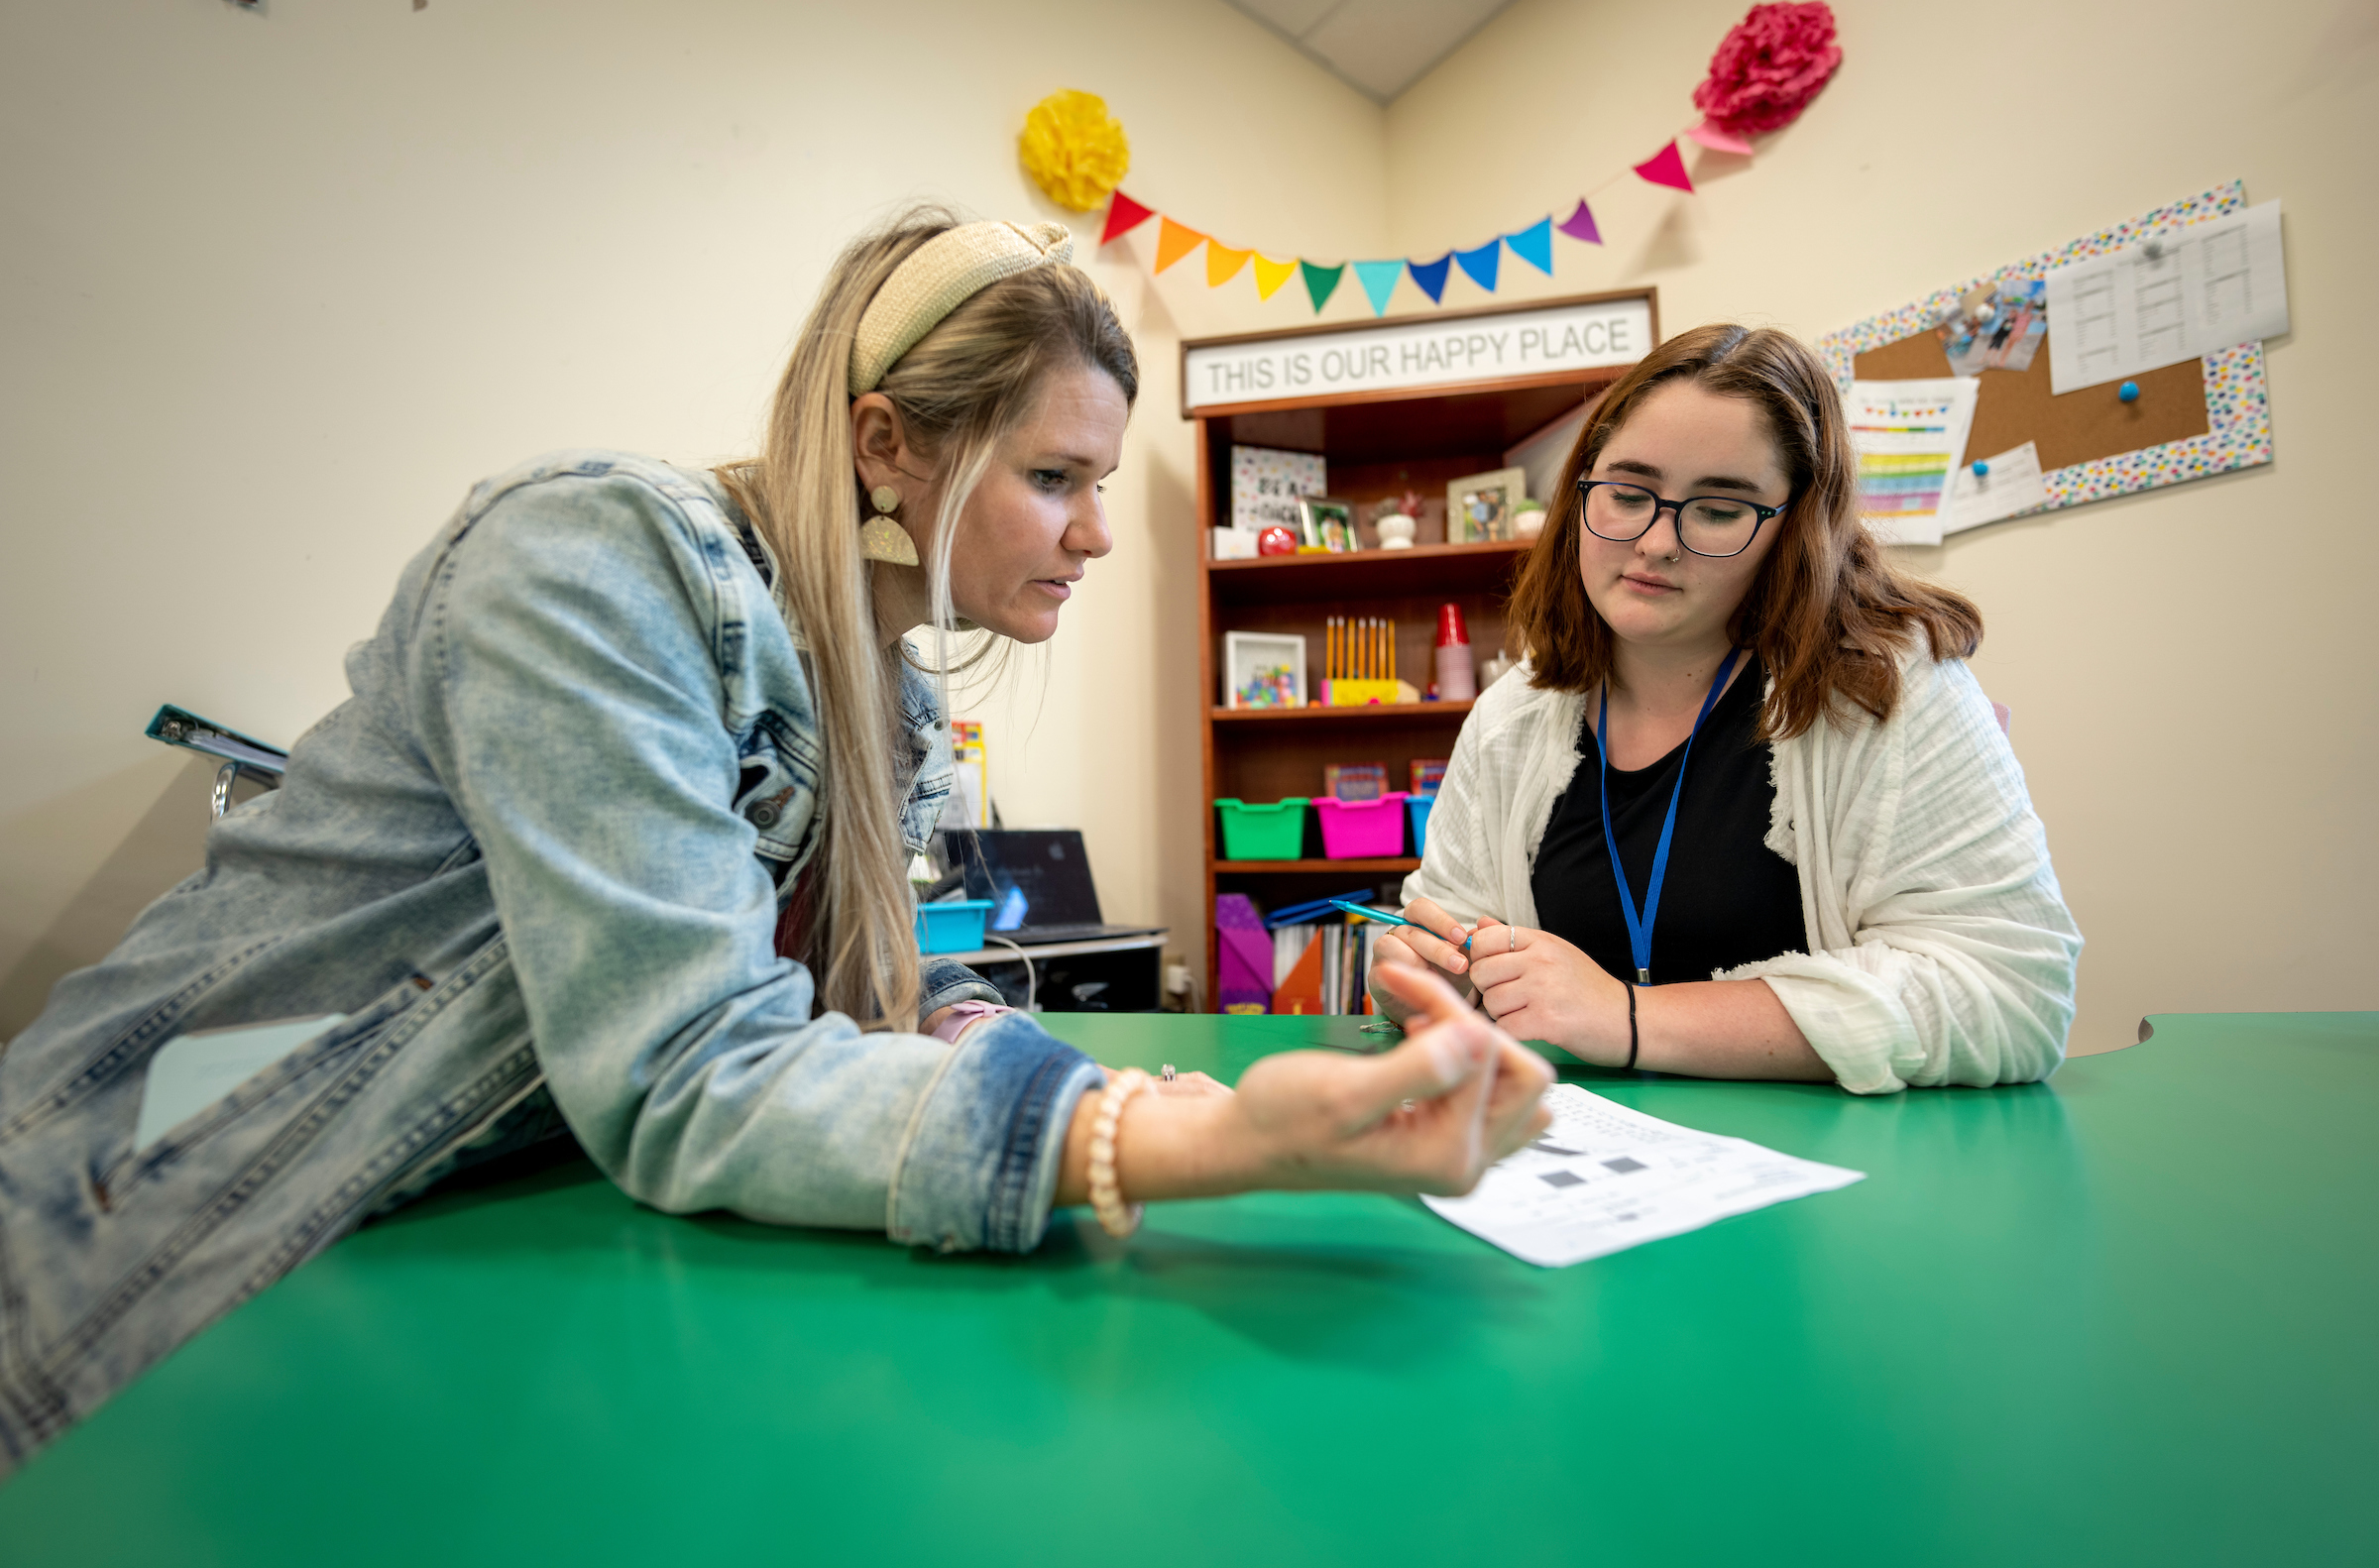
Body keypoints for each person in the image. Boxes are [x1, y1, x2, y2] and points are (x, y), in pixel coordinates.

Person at [0, 210, 1551, 1475]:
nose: (1095, 532)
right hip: (150, 1229)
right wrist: (1187, 1143)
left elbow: (866, 1008)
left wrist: (1112, 1084)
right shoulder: (593, 558)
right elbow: (689, 1068)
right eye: (1056, 478)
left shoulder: (893, 704)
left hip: (460, 1237)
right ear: (890, 443)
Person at [1370, 324, 2081, 1093]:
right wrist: (1426, 978)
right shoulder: (1515, 714)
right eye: (1627, 493)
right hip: (1578, 1171)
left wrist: (1628, 1018)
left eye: (1717, 509)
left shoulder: (1891, 686)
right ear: (1582, 490)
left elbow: (2014, 998)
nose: (1656, 541)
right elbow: (1448, 934)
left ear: (1794, 528)